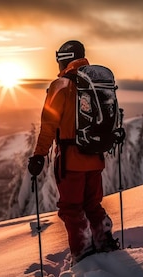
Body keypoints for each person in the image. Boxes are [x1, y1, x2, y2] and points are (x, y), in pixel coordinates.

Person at [28, 40, 118, 262]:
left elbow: (49, 126)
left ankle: (83, 252)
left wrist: (39, 155)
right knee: (92, 204)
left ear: (63, 60)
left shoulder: (61, 85)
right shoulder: (96, 82)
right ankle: (104, 242)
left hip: (71, 161)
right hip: (95, 156)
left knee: (71, 208)